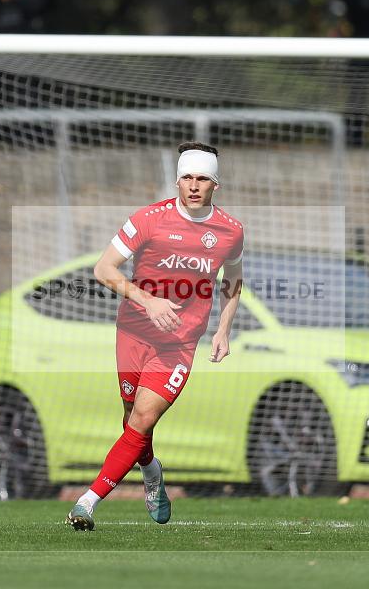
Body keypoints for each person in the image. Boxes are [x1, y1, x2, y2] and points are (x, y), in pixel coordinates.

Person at [66, 142, 245, 530]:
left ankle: (87, 501)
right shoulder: (148, 219)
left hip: (179, 343)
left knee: (143, 419)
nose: (194, 185)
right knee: (131, 419)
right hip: (133, 332)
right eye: (187, 177)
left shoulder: (230, 231)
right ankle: (152, 473)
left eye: (203, 178)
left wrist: (223, 329)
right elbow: (104, 268)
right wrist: (147, 300)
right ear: (177, 180)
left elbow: (233, 279)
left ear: (216, 184)